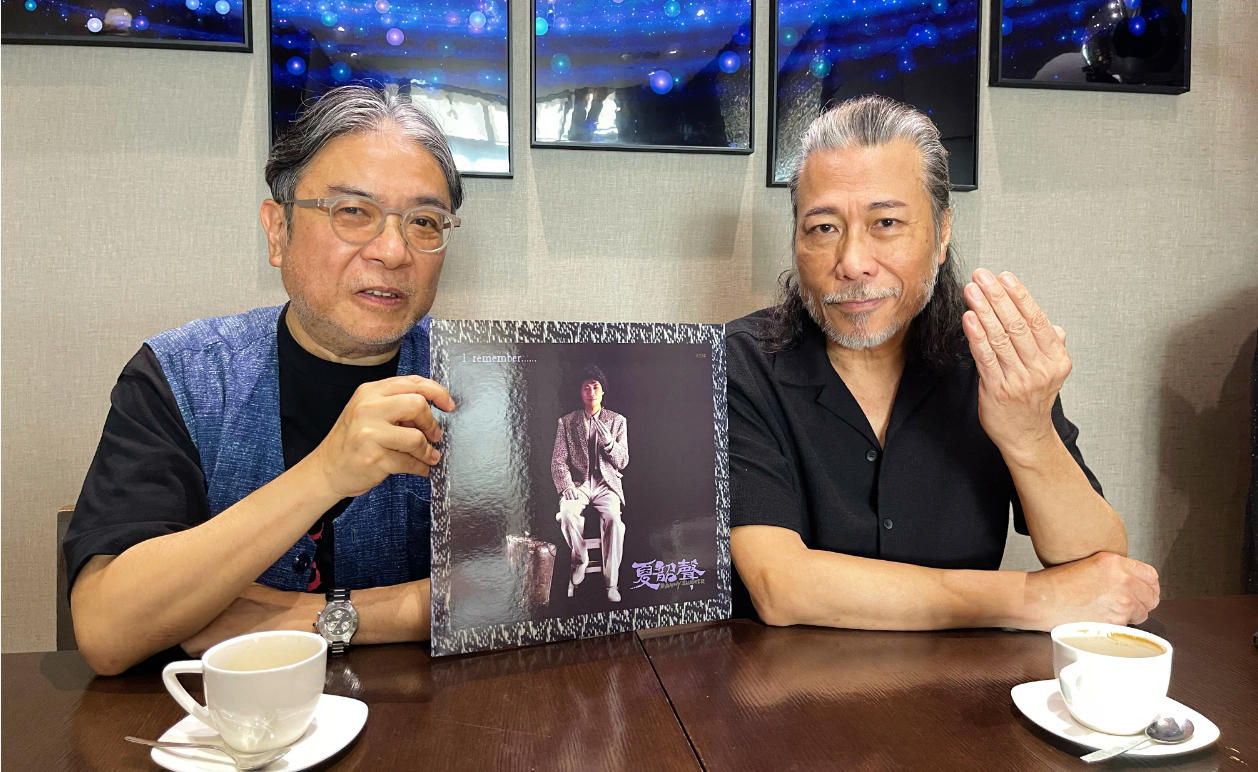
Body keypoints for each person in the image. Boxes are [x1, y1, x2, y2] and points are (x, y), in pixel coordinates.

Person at [64, 85, 464, 674]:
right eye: (353, 212)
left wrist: (311, 617)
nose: (392, 250)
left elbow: (537, 587)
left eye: (424, 221)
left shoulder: (479, 378)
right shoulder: (182, 376)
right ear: (278, 232)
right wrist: (326, 473)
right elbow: (107, 630)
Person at [728, 95, 1160, 632]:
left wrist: (1028, 434)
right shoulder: (740, 363)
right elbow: (780, 586)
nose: (853, 263)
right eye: (823, 228)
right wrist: (1031, 598)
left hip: (965, 680)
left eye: (886, 222)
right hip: (783, 679)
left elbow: (1099, 565)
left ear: (942, 231)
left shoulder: (990, 354)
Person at [551, 366, 629, 602]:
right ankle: (580, 559)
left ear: (603, 391)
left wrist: (609, 444)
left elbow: (623, 462)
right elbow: (558, 461)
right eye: (586, 387)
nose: (591, 392)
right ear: (580, 392)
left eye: (596, 387)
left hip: (607, 484)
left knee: (614, 520)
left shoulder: (617, 421)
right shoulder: (567, 422)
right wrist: (567, 486)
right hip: (579, 484)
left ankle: (611, 583)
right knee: (566, 513)